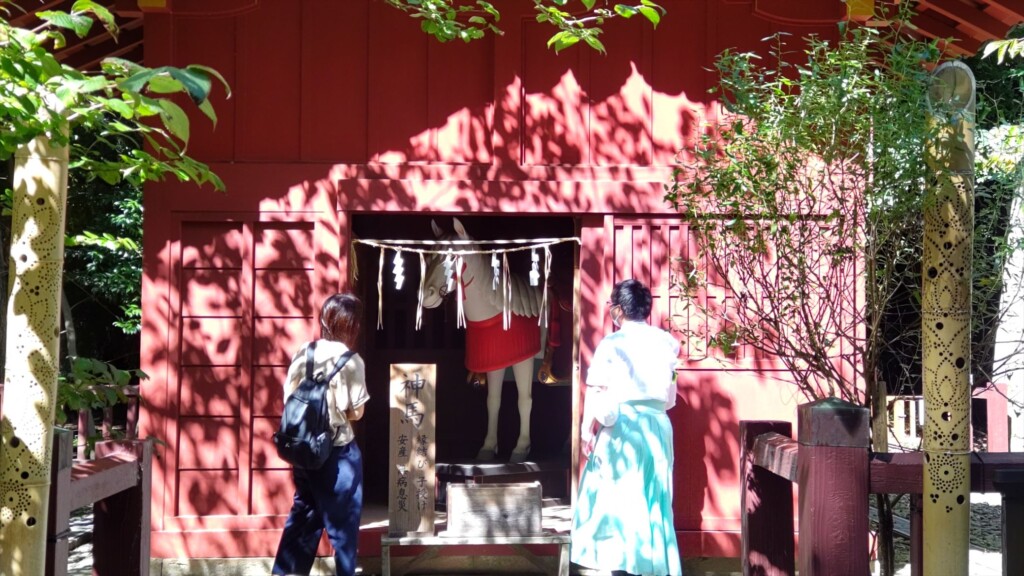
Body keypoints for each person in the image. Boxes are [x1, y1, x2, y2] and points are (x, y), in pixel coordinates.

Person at [571, 279, 683, 576]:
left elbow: (595, 391)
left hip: (623, 426)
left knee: (620, 497)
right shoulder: (667, 343)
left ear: (618, 310)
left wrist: (586, 433)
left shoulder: (612, 344)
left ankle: (623, 566)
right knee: (655, 495)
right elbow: (670, 397)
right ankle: (656, 565)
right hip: (658, 426)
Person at [273, 293, 370, 576]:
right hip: (337, 454)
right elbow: (357, 412)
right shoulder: (351, 361)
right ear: (350, 325)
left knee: (303, 518)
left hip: (303, 450)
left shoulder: (305, 352)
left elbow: (288, 395)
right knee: (343, 528)